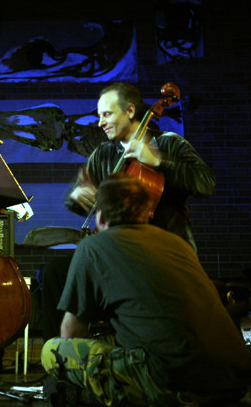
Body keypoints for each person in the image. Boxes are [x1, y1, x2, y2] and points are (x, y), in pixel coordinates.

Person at [41, 174, 250, 406]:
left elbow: (71, 333)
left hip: (171, 383)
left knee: (53, 350)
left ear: (100, 216)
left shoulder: (92, 247)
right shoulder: (177, 243)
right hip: (236, 379)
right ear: (148, 213)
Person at [40, 82, 216, 339]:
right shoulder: (103, 154)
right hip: (118, 254)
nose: (100, 122)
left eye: (107, 114)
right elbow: (81, 202)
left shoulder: (169, 144)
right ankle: (62, 360)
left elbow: (206, 183)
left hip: (162, 253)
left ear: (130, 111)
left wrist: (156, 162)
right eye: (99, 115)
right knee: (53, 274)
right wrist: (79, 197)